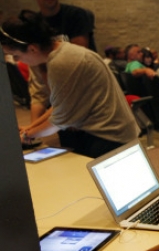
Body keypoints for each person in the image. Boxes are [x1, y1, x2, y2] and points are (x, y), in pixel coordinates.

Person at [1, 10, 140, 158]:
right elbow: (60, 105)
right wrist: (30, 128)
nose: (16, 61)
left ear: (32, 48)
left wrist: (26, 135)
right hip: (106, 133)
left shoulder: (61, 62)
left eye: (16, 55)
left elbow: (59, 120)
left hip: (110, 137)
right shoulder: (63, 52)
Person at [27, 0, 97, 124]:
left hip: (88, 91)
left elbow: (78, 61)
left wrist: (71, 107)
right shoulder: (36, 24)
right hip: (62, 94)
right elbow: (43, 69)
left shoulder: (76, 15)